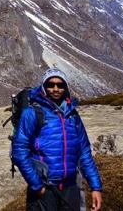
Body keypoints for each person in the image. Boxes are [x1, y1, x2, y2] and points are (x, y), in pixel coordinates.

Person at [12, 68, 102, 211]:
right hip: (45, 189)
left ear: (65, 88)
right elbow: (19, 151)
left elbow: (84, 152)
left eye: (60, 85)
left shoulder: (73, 115)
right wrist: (37, 186)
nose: (55, 89)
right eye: (51, 84)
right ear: (43, 86)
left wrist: (96, 187)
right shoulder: (32, 113)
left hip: (71, 187)